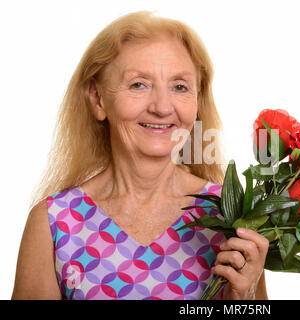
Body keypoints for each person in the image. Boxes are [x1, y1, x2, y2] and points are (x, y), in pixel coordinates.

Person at [11, 11, 269, 300]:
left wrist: (242, 299)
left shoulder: (231, 217)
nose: (161, 107)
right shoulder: (54, 222)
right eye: (138, 85)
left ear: (197, 102)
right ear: (98, 99)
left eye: (180, 87)